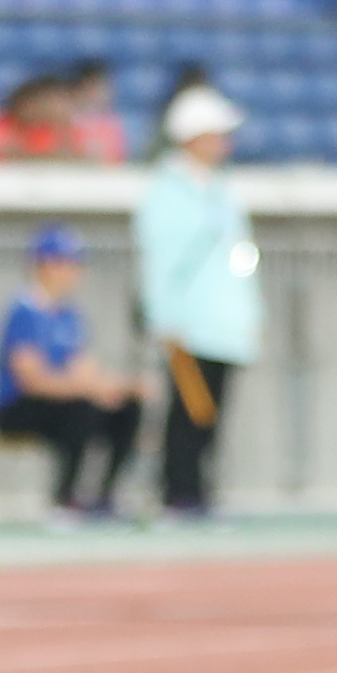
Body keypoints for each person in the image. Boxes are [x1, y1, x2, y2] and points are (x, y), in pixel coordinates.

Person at [133, 84, 259, 519]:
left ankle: (199, 491)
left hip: (225, 322)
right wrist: (164, 317)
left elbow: (240, 256)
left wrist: (249, 311)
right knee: (187, 413)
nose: (225, 142)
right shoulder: (166, 191)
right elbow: (160, 261)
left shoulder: (224, 189)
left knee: (211, 416)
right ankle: (177, 493)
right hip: (187, 323)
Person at [0, 224, 135, 522]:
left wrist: (120, 388)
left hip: (60, 400)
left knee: (126, 408)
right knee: (79, 409)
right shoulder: (24, 310)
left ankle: (103, 496)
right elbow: (31, 378)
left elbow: (85, 368)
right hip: (19, 407)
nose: (72, 272)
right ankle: (65, 499)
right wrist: (84, 389)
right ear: (42, 266)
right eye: (64, 263)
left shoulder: (70, 315)